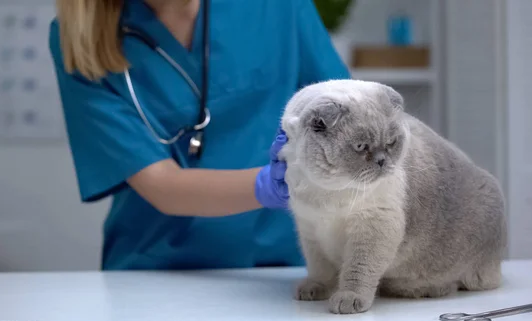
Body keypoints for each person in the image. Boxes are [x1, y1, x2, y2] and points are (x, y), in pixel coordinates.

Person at [48, 0, 350, 270]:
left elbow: (345, 111)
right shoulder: (81, 39)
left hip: (283, 266)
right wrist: (275, 183)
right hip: (154, 273)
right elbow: (162, 186)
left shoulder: (276, 6)